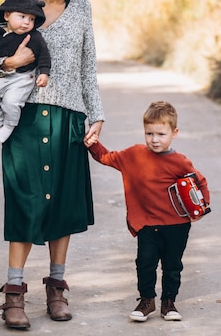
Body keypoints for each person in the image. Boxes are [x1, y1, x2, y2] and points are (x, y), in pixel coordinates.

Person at [0, 0, 104, 329]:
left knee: (63, 204)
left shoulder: (82, 8)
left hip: (67, 119)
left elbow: (88, 68)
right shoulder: (19, 7)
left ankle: (57, 288)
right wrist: (9, 63)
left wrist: (96, 115)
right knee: (25, 201)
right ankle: (13, 294)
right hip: (25, 119)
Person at [84, 101, 210, 323]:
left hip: (177, 225)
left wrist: (201, 208)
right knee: (145, 262)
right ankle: (146, 300)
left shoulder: (180, 162)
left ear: (174, 133)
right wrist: (93, 145)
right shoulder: (134, 154)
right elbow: (107, 157)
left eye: (161, 134)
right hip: (147, 224)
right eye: (149, 133)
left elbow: (200, 182)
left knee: (172, 266)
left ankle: (169, 302)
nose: (154, 139)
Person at [0, 0, 51, 143]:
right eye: (22, 17)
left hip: (22, 78)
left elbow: (44, 54)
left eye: (31, 19)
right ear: (6, 15)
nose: (26, 22)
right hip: (2, 77)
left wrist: (44, 73)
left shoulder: (34, 36)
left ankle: (9, 126)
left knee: (11, 102)